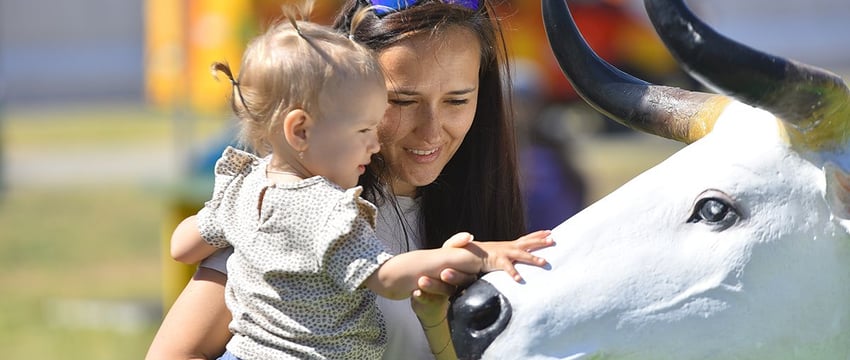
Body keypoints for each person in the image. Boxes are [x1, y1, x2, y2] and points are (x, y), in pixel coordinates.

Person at [145, 1, 530, 359]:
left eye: (457, 101)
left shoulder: (485, 207)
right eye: (401, 102)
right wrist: (470, 257)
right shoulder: (290, 205)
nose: (431, 132)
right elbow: (176, 352)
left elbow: (182, 243)